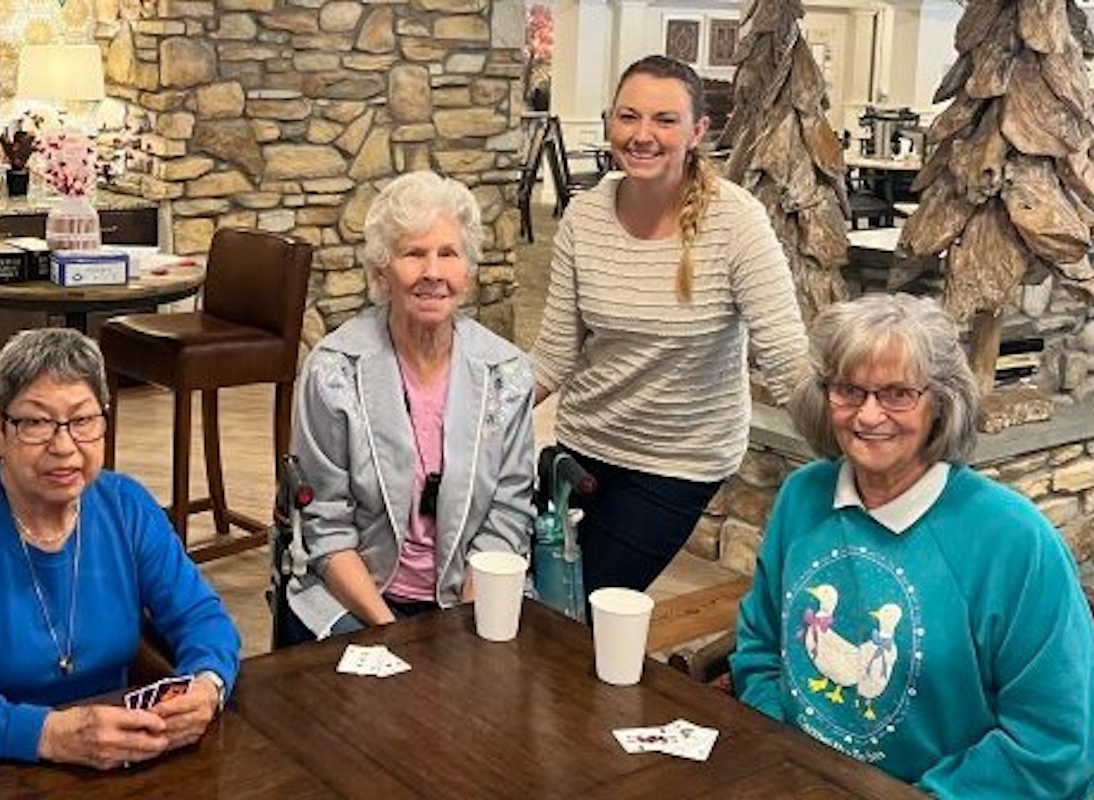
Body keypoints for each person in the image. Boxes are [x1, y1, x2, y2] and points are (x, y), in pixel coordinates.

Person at [731, 293, 1094, 797]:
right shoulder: (802, 496)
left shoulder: (1015, 541)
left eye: (898, 393)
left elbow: (1053, 744)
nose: (869, 416)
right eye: (849, 390)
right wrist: (786, 757)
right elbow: (759, 649)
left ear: (941, 402)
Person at [0, 328, 240, 770]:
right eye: (36, 423)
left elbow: (203, 618)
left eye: (82, 420)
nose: (64, 447)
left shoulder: (127, 506)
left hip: (124, 757)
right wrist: (47, 735)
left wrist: (208, 684)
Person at [531, 54, 808, 595]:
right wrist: (471, 421)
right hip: (583, 442)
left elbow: (788, 361)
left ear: (698, 130)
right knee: (542, 592)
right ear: (609, 120)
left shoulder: (736, 221)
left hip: (679, 459)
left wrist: (860, 441)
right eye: (628, 117)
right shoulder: (585, 217)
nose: (642, 135)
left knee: (589, 602)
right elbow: (554, 356)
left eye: (664, 120)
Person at [278, 170, 535, 644]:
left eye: (448, 254)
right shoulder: (334, 372)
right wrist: (393, 634)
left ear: (468, 272)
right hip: (357, 601)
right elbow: (326, 527)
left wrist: (463, 631)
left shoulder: (507, 373)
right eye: (413, 254)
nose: (433, 272)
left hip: (467, 599)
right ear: (382, 272)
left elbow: (508, 517)